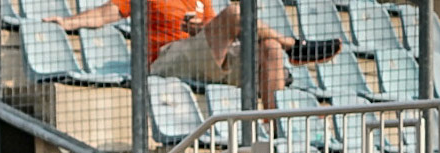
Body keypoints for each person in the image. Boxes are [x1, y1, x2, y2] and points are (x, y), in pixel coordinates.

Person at [44, 0, 340, 105]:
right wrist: (68, 22)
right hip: (167, 58)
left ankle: (271, 128)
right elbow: (106, 12)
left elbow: (214, 30)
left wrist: (200, 27)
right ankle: (294, 46)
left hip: (203, 54)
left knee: (269, 48)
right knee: (235, 12)